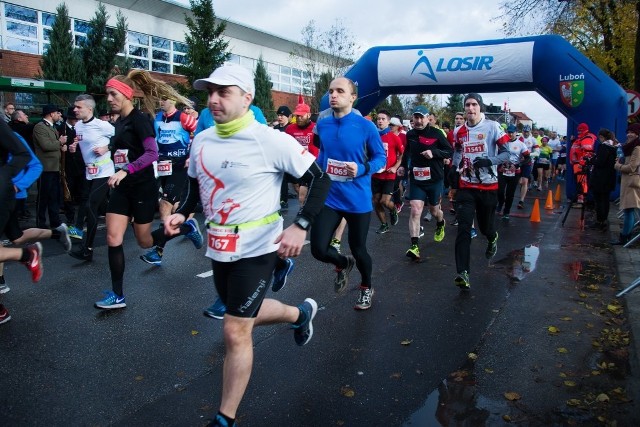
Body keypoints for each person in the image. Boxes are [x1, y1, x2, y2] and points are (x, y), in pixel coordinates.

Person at [164, 63, 331, 427]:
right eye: (210, 92)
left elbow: (320, 180)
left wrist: (300, 226)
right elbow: (196, 184)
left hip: (259, 245)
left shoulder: (270, 140)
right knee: (242, 314)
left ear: (247, 98)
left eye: (223, 92)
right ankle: (299, 314)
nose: (213, 100)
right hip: (219, 245)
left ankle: (225, 418)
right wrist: (186, 213)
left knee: (234, 327)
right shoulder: (203, 139)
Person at [94, 70, 203, 310]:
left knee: (144, 242)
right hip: (122, 188)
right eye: (107, 94)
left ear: (125, 95)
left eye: (113, 94)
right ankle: (118, 295)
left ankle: (186, 227)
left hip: (142, 188)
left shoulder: (140, 120)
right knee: (113, 237)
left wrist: (126, 169)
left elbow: (151, 153)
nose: (109, 99)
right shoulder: (119, 122)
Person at [310, 77, 386, 310]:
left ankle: (366, 287)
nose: (333, 95)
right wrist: (314, 172)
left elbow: (380, 158)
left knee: (359, 248)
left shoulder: (365, 126)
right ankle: (343, 263)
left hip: (357, 199)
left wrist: (362, 168)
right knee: (318, 249)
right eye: (331, 91)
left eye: (340, 91)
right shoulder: (323, 124)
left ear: (352, 97)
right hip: (331, 197)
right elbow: (324, 155)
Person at [451, 93, 509, 289]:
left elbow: (507, 153)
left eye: (474, 104)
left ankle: (492, 237)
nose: (470, 108)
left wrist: (489, 161)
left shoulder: (492, 127)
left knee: (485, 228)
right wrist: (454, 168)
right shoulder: (459, 130)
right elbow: (458, 150)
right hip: (467, 186)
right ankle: (463, 272)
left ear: (480, 107)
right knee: (464, 227)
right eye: (467, 105)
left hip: (488, 186)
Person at [139, 93, 198, 265]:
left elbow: (198, 135)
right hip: (163, 166)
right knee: (175, 205)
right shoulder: (157, 118)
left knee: (164, 205)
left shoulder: (184, 118)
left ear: (173, 100)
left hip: (180, 166)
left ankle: (158, 251)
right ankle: (188, 226)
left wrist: (191, 156)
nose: (161, 101)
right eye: (160, 98)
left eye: (164, 98)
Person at [0, 120, 43, 323]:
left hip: (8, 196)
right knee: (14, 238)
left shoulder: (10, 134)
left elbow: (33, 162)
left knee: (16, 237)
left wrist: (13, 182)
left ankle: (29, 252)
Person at [398, 105, 452, 260]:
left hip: (434, 179)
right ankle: (414, 246)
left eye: (422, 117)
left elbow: (449, 151)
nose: (419, 120)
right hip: (416, 178)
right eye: (416, 117)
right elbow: (407, 152)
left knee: (435, 211)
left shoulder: (437, 133)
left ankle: (440, 223)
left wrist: (433, 153)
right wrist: (402, 166)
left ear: (428, 118)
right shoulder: (410, 134)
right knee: (415, 209)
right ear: (412, 119)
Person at [68, 94, 116, 261]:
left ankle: (87, 249)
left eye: (78, 107)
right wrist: (74, 148)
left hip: (105, 171)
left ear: (90, 108)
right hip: (90, 172)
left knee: (91, 206)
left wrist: (107, 147)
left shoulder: (102, 125)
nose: (75, 110)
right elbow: (81, 143)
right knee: (91, 204)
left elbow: (120, 137)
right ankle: (123, 219)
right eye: (75, 107)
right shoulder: (78, 126)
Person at [372, 109, 404, 234]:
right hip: (375, 174)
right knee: (376, 201)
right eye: (378, 119)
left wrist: (395, 167)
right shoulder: (373, 136)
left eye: (383, 119)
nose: (380, 121)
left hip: (389, 175)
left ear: (388, 121)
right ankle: (384, 224)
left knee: (384, 201)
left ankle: (393, 209)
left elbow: (402, 155)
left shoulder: (394, 137)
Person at [612, 123, 640, 245]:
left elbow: (632, 167)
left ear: (637, 133)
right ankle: (625, 236)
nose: (629, 134)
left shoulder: (637, 148)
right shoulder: (629, 147)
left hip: (632, 183)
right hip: (628, 182)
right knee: (629, 210)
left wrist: (618, 166)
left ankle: (624, 237)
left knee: (629, 211)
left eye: (632, 132)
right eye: (628, 132)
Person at [285, 102, 318, 204]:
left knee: (310, 195)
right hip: (297, 165)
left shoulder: (316, 127)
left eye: (301, 115)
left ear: (308, 115)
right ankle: (303, 214)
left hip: (314, 165)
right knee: (300, 195)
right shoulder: (290, 129)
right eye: (297, 116)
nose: (299, 118)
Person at [496, 124, 530, 220]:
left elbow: (528, 158)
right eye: (508, 132)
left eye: (512, 132)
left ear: (516, 133)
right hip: (502, 170)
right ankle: (501, 202)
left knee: (510, 194)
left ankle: (506, 212)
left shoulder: (521, 144)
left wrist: (517, 165)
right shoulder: (502, 143)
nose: (510, 134)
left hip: (514, 172)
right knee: (500, 190)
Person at [588, 128, 618, 231]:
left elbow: (600, 162)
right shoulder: (614, 146)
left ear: (601, 137)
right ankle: (604, 220)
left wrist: (591, 160)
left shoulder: (603, 147)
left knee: (599, 200)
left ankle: (599, 221)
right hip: (610, 177)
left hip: (600, 178)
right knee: (605, 200)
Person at [570, 122, 596, 203]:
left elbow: (588, 152)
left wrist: (582, 164)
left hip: (581, 165)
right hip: (577, 165)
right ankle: (580, 198)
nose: (578, 132)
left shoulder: (587, 138)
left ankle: (582, 199)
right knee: (579, 182)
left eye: (580, 130)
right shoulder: (581, 138)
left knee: (582, 183)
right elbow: (579, 149)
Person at [516, 124, 537, 209]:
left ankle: (521, 201)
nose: (525, 133)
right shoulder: (519, 139)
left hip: (528, 162)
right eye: (524, 131)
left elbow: (537, 152)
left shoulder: (533, 140)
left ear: (530, 132)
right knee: (520, 182)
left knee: (524, 181)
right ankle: (528, 180)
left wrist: (528, 154)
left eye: (527, 132)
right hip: (519, 162)